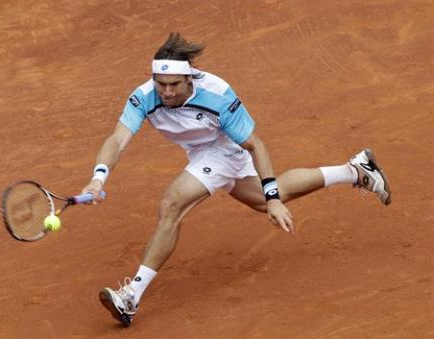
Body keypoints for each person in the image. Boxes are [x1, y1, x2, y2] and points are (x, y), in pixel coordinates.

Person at [81, 32, 391, 327]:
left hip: (224, 150)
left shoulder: (218, 96)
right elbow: (118, 140)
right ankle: (356, 170)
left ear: (190, 78)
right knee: (270, 194)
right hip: (199, 152)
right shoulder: (144, 97)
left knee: (172, 204)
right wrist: (98, 178)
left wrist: (272, 201)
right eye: (160, 84)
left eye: (174, 84)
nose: (167, 92)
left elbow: (255, 145)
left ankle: (131, 296)